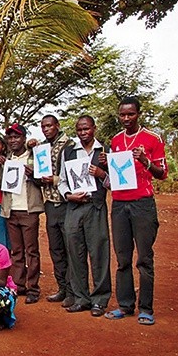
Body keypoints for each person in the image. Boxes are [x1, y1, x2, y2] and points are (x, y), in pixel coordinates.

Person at [103, 96, 168, 325]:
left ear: (138, 114)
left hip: (142, 203)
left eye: (130, 114)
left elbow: (162, 174)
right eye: (123, 114)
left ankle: (146, 308)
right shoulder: (116, 140)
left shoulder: (152, 139)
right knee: (122, 258)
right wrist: (105, 165)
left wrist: (146, 161)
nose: (126, 118)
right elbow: (115, 176)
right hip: (119, 203)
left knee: (144, 257)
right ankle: (125, 305)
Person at [58, 115, 111, 317]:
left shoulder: (105, 152)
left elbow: (116, 183)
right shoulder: (69, 151)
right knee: (75, 252)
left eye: (86, 129)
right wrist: (69, 195)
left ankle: (100, 299)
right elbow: (62, 180)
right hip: (73, 207)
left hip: (95, 206)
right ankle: (81, 298)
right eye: (79, 130)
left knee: (99, 252)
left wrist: (102, 175)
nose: (83, 133)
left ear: (94, 128)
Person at [0, 123, 44, 304]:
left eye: (16, 137)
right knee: (16, 251)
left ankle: (33, 288)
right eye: (10, 137)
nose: (13, 140)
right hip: (11, 209)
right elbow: (0, 185)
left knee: (31, 250)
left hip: (29, 209)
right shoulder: (6, 158)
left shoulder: (34, 156)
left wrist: (33, 175)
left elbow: (43, 180)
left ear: (24, 138)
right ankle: (18, 285)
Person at [38, 115, 74, 307]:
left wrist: (53, 180)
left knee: (71, 248)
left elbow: (76, 174)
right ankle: (62, 287)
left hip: (67, 202)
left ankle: (73, 289)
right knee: (56, 248)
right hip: (50, 203)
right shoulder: (41, 148)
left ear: (57, 126)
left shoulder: (69, 145)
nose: (46, 129)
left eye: (49, 125)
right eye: (43, 126)